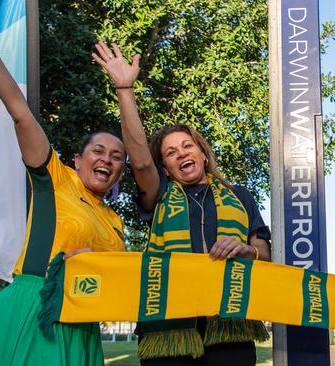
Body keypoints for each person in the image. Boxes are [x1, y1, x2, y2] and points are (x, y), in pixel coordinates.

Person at [93, 42, 271, 365]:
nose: (181, 154)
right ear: (166, 167)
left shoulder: (241, 196)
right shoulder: (159, 192)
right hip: (167, 332)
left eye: (187, 146)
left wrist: (247, 250)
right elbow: (142, 164)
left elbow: (264, 254)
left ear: (203, 154)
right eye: (170, 153)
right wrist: (124, 89)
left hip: (230, 329)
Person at [0, 50, 126, 365]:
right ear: (78, 160)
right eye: (98, 150)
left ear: (120, 171)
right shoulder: (55, 178)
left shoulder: (115, 223)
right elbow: (21, 114)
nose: (107, 159)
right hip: (34, 307)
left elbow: (120, 281)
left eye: (117, 156)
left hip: (81, 325)